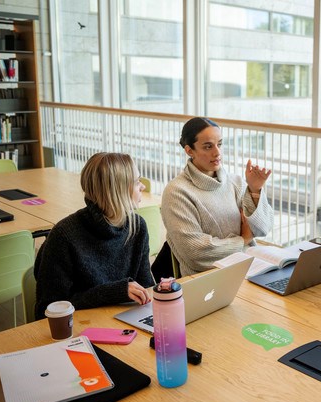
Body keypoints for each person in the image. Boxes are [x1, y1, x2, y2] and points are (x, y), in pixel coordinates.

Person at [34, 152, 154, 320]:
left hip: (125, 322)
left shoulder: (137, 227)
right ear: (117, 190)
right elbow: (47, 309)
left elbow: (146, 288)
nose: (142, 187)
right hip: (82, 327)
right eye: (136, 182)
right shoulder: (64, 236)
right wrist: (112, 292)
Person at [161, 117, 273, 277]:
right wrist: (243, 240)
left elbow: (263, 228)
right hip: (210, 280)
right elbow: (196, 253)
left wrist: (255, 190)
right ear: (189, 150)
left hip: (251, 269)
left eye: (219, 144)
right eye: (208, 147)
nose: (217, 152)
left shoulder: (235, 182)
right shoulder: (176, 192)